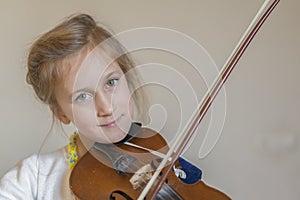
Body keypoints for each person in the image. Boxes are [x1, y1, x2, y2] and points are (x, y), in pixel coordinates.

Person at [0, 13, 230, 199]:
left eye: (111, 82)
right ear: (60, 112)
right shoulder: (33, 178)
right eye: (83, 96)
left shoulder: (160, 160)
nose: (106, 107)